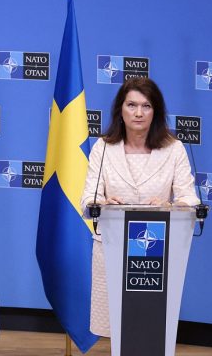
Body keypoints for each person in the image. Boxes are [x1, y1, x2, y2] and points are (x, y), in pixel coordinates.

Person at [80, 77, 199, 337]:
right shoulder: (103, 148)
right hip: (111, 248)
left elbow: (190, 200)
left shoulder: (174, 149)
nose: (138, 113)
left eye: (146, 106)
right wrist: (102, 204)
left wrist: (170, 206)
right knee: (117, 330)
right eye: (131, 105)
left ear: (155, 111)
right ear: (120, 110)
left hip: (154, 252)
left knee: (149, 330)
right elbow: (88, 200)